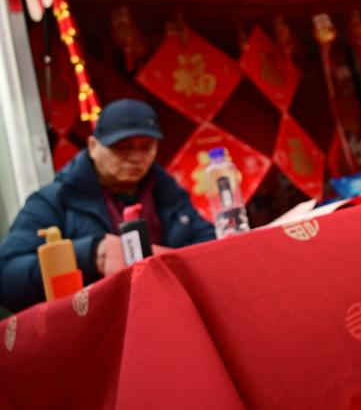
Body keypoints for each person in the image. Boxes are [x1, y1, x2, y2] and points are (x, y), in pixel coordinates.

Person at [0, 99, 215, 311]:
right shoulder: (54, 201)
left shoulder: (168, 195)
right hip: (94, 330)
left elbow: (210, 250)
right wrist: (92, 253)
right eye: (122, 147)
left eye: (146, 147)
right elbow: (6, 277)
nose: (135, 158)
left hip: (168, 315)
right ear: (93, 146)